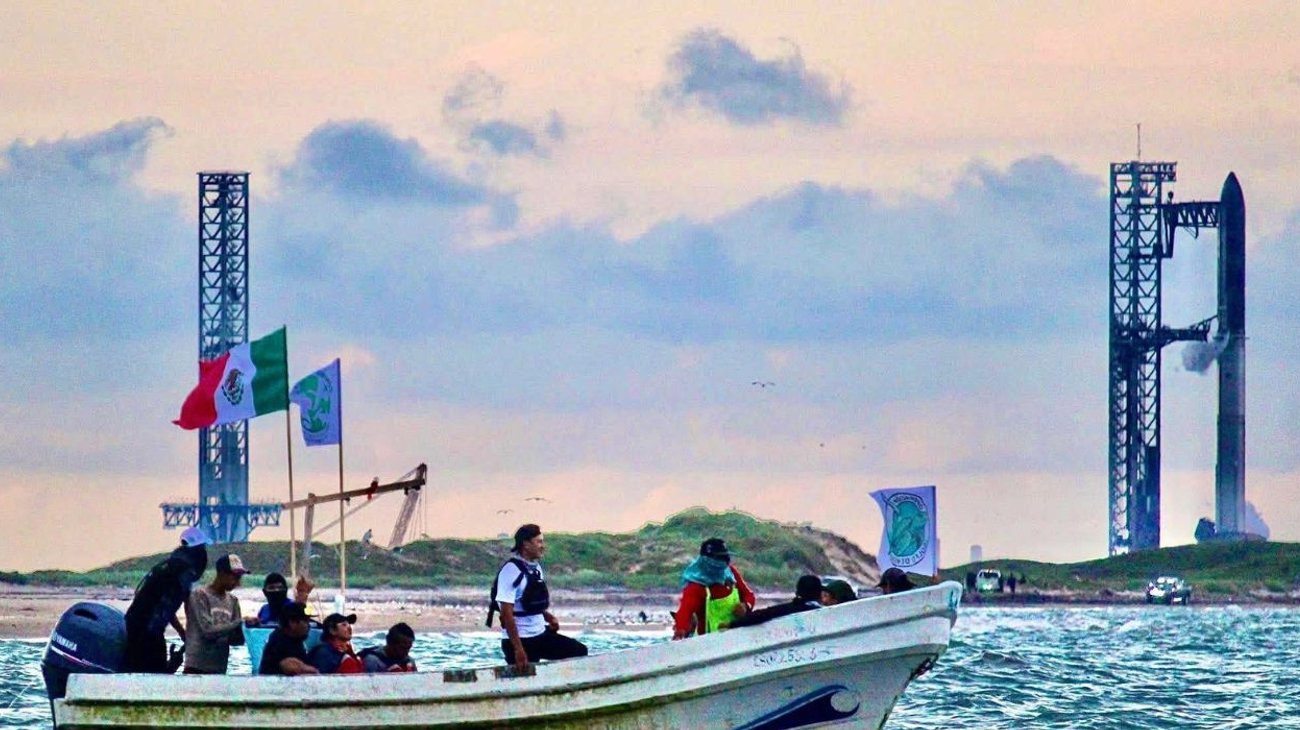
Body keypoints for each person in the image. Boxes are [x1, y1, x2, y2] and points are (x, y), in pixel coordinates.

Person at [487, 524, 588, 671]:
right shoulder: (510, 572)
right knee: (525, 679)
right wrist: (518, 650)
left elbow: (529, 602)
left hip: (540, 634)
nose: (543, 546)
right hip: (520, 641)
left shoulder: (535, 568)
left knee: (579, 651)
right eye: (539, 542)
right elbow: (506, 614)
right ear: (526, 545)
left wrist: (548, 617)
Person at [123, 526, 210, 673]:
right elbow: (174, 608)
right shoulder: (183, 571)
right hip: (147, 632)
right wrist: (187, 634)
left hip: (133, 626)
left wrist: (184, 633)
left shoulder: (168, 566)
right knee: (155, 671)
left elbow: (169, 607)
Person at [183, 554, 259, 674]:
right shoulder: (200, 595)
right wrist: (239, 622)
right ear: (222, 574)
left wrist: (246, 628)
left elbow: (237, 641)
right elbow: (207, 631)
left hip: (219, 668)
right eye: (235, 577)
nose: (237, 583)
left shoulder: (233, 601)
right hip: (196, 667)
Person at [672, 537, 755, 640]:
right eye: (717, 558)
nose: (721, 562)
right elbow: (685, 612)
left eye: (724, 557)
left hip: (737, 637)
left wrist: (745, 606)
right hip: (709, 643)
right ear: (705, 559)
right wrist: (680, 631)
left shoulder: (730, 573)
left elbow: (749, 595)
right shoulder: (696, 586)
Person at [729, 575, 822, 628]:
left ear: (797, 592)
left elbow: (760, 615)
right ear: (820, 594)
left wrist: (733, 624)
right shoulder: (826, 613)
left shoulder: (785, 610)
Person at [259, 602, 319, 676]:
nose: (308, 626)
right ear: (292, 623)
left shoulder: (295, 638)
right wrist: (313, 671)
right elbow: (290, 667)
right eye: (306, 621)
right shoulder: (280, 642)